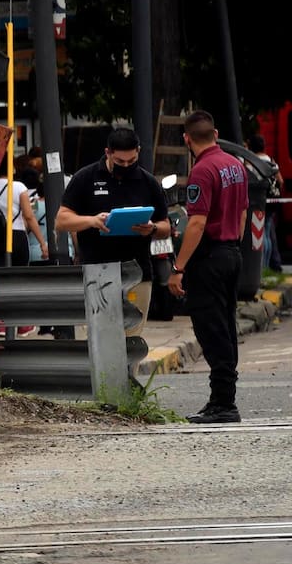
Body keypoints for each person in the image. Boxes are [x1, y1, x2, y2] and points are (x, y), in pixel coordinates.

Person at [168, 111, 247, 424]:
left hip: (210, 258)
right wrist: (233, 245)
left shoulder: (202, 171)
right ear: (215, 134)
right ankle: (223, 398)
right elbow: (242, 212)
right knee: (225, 325)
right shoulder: (235, 164)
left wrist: (179, 267)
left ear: (186, 139)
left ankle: (224, 403)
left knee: (211, 329)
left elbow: (197, 223)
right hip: (232, 253)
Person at [56, 128, 170, 337]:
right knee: (101, 337)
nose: (126, 166)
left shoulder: (148, 182)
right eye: (120, 161)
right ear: (107, 152)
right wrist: (92, 221)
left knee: (132, 338)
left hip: (137, 272)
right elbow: (62, 221)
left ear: (138, 152)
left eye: (131, 161)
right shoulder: (85, 178)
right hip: (97, 272)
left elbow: (165, 226)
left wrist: (152, 228)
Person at [0, 156, 48, 267]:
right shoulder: (19, 187)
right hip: (17, 234)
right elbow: (29, 216)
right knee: (20, 272)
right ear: (12, 168)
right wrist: (42, 243)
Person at [248, 134, 284, 270]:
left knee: (260, 234)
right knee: (267, 232)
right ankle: (267, 264)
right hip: (273, 202)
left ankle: (262, 265)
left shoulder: (254, 162)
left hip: (260, 201)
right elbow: (281, 181)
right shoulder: (271, 161)